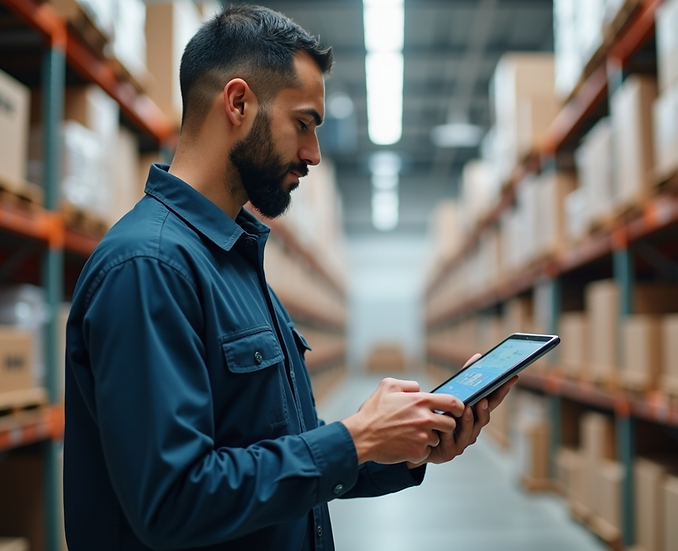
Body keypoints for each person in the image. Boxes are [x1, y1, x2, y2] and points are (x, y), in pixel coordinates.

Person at [63, 4, 517, 550]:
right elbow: (172, 500)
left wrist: (403, 446)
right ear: (238, 103)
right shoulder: (150, 267)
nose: (314, 154)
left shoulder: (234, 261)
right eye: (303, 123)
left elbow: (279, 457)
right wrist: (355, 438)